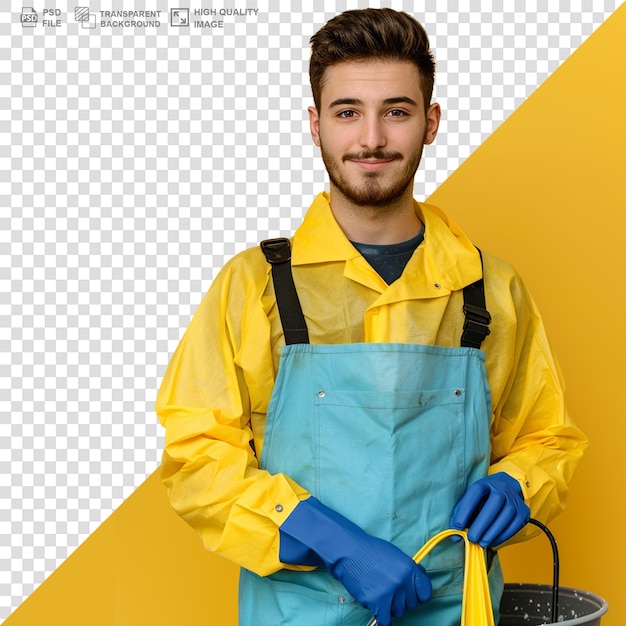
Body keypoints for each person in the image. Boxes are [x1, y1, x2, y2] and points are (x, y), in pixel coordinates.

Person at [156, 8, 587, 626]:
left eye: (398, 111)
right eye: (348, 111)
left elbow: (548, 438)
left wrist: (520, 483)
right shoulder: (254, 286)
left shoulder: (490, 289)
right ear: (316, 125)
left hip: (456, 609)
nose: (372, 139)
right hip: (297, 611)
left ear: (430, 122)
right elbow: (196, 455)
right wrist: (330, 538)